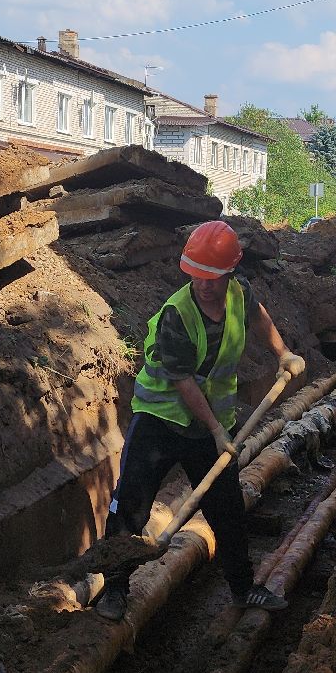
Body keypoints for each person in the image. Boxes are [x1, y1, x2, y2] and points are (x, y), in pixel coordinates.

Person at [94, 220, 306, 621]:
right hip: (160, 421)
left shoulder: (239, 294)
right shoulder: (177, 314)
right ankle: (115, 590)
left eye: (212, 277)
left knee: (227, 510)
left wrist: (283, 353)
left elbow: (258, 318)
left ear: (230, 273)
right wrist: (216, 430)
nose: (204, 285)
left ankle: (244, 589)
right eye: (196, 276)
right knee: (130, 508)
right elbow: (183, 382)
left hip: (210, 426)